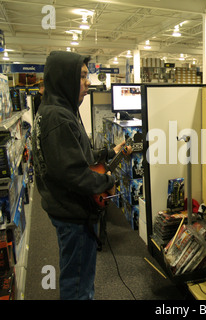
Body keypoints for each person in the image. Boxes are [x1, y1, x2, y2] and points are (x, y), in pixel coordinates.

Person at [31, 51, 132, 300]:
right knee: (78, 286)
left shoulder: (55, 110)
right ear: (66, 78)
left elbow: (76, 153)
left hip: (66, 210)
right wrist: (110, 182)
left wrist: (109, 152)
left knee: (79, 279)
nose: (89, 83)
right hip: (73, 215)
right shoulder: (59, 117)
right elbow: (74, 175)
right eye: (83, 76)